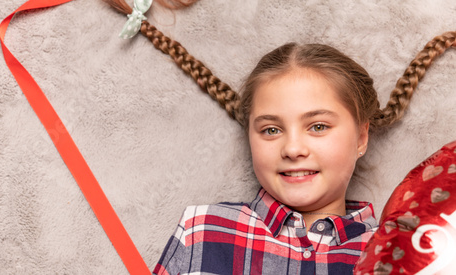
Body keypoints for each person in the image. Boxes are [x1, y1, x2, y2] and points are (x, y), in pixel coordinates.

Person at [153, 43, 378, 274]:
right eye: (271, 130)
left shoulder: (393, 253)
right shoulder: (202, 230)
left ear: (361, 137)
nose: (292, 149)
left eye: (318, 126)